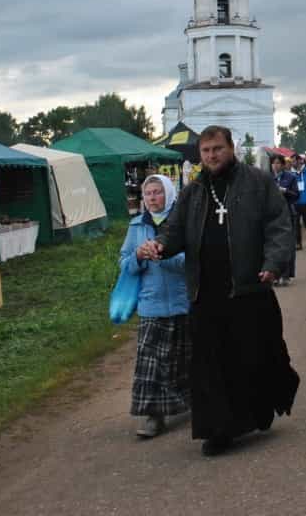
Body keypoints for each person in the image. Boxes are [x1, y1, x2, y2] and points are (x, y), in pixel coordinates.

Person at [144, 125, 300, 456]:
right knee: (211, 365)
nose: (212, 156)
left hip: (249, 287)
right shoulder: (194, 190)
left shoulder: (257, 182)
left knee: (255, 356)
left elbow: (279, 225)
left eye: (217, 149)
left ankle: (257, 413)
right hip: (206, 292)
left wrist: (274, 263)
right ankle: (218, 430)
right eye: (206, 151)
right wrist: (159, 245)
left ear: (231, 148)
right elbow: (175, 231)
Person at [119, 175, 190, 438]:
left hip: (183, 303)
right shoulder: (136, 225)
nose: (151, 197)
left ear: (169, 194)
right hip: (151, 305)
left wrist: (162, 256)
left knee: (184, 360)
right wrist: (138, 255)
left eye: (157, 192)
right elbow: (124, 263)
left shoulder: (180, 223)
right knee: (151, 364)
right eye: (147, 193)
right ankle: (153, 416)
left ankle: (194, 404)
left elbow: (192, 260)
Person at [271, 154, 299, 285]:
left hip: (287, 214)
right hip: (271, 216)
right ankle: (275, 274)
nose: (275, 166)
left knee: (287, 245)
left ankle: (286, 275)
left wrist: (285, 191)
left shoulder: (291, 177)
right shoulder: (267, 178)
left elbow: (296, 195)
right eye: (273, 163)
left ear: (282, 165)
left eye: (278, 163)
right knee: (273, 245)